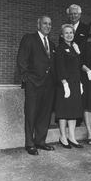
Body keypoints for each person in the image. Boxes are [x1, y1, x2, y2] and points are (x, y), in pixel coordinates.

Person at [17, 16, 56, 155]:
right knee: (31, 113)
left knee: (44, 114)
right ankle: (29, 143)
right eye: (45, 23)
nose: (47, 26)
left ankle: (40, 141)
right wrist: (27, 79)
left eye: (50, 24)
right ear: (38, 25)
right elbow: (22, 60)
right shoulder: (29, 38)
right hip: (33, 84)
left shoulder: (51, 44)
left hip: (48, 85)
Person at [55, 24, 84, 149]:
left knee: (73, 111)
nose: (69, 35)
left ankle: (72, 137)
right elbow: (59, 67)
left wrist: (80, 83)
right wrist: (65, 83)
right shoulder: (60, 48)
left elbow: (78, 66)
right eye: (66, 33)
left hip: (75, 83)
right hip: (65, 84)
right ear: (62, 35)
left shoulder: (74, 47)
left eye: (71, 33)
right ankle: (63, 137)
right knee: (64, 111)